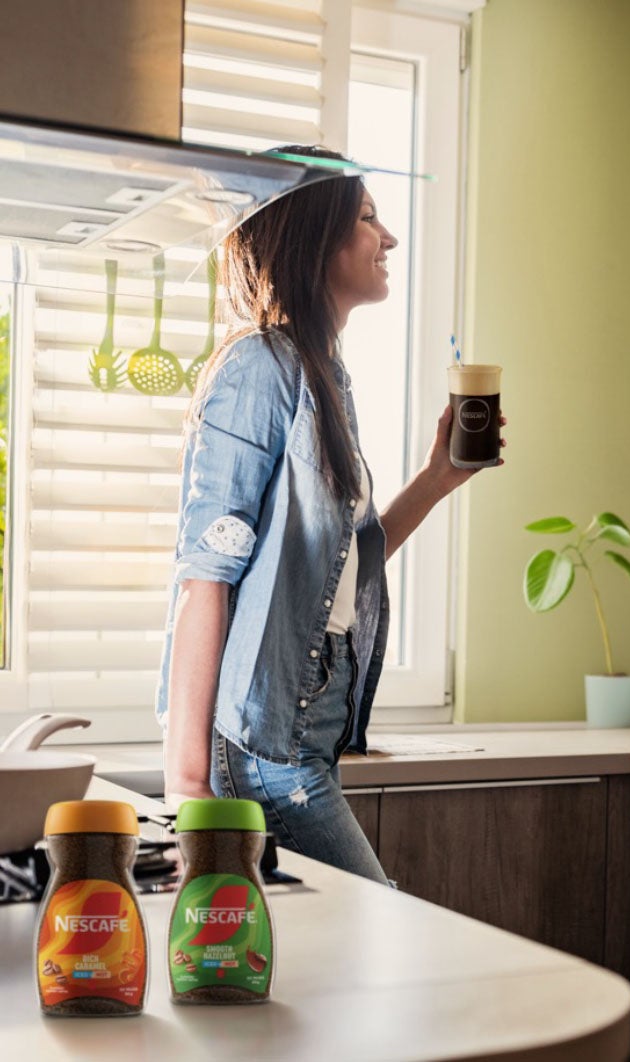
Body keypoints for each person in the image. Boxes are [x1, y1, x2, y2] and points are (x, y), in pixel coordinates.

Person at [156, 147, 501, 883]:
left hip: (306, 731)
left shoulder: (324, 375)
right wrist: (188, 789)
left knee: (315, 964)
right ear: (319, 241)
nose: (391, 239)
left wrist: (439, 478)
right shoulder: (261, 366)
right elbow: (204, 576)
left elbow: (342, 563)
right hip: (264, 742)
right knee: (373, 927)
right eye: (370, 219)